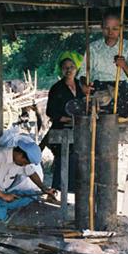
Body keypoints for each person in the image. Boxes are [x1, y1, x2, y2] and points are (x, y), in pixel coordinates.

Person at [77, 9, 128, 118]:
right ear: (101, 27)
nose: (110, 32)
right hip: (99, 91)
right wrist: (84, 85)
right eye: (106, 28)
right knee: (73, 105)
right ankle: (105, 113)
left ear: (121, 28)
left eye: (115, 28)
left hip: (120, 91)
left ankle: (115, 117)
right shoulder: (93, 47)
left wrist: (124, 65)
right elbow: (83, 74)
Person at [0, 137, 55, 221]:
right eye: (25, 162)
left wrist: (44, 188)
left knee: (31, 196)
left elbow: (31, 173)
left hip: (1, 193)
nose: (24, 165)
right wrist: (3, 196)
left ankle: (0, 204)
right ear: (20, 154)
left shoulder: (19, 161)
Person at [46, 52, 85, 191]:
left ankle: (76, 188)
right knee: (63, 159)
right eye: (65, 67)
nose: (68, 70)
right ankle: (56, 190)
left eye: (72, 67)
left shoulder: (82, 86)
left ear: (77, 68)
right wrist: (70, 119)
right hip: (61, 128)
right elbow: (50, 112)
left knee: (80, 157)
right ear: (61, 69)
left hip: (80, 128)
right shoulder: (56, 88)